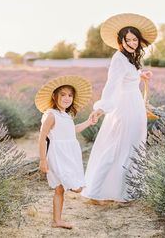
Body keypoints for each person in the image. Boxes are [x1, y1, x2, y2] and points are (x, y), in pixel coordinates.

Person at [81, 13, 157, 204]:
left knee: (132, 147)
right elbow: (112, 85)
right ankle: (95, 192)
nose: (132, 42)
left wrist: (140, 74)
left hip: (135, 105)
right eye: (128, 39)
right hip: (124, 108)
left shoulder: (130, 58)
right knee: (115, 147)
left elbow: (128, 76)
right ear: (120, 41)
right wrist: (101, 108)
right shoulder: (118, 58)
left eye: (134, 39)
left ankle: (126, 191)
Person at [35, 75, 97, 229]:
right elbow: (42, 137)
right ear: (54, 96)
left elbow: (72, 131)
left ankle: (57, 221)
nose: (67, 98)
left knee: (60, 189)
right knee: (76, 188)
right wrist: (43, 160)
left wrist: (89, 122)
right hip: (58, 155)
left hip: (70, 154)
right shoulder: (50, 115)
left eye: (70, 95)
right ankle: (57, 220)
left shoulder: (66, 115)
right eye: (62, 94)